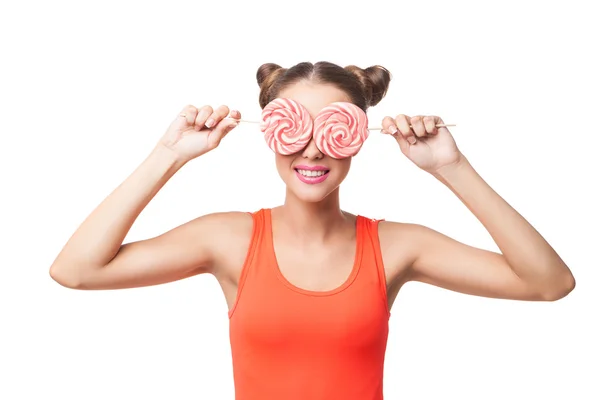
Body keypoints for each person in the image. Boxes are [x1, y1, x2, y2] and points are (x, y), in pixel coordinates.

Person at [49, 61, 575, 399]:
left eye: (332, 128)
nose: (314, 148)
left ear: (357, 135)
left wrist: (450, 168)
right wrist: (169, 155)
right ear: (273, 130)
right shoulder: (228, 240)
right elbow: (75, 270)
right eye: (297, 127)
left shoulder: (395, 247)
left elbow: (549, 283)